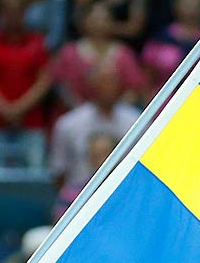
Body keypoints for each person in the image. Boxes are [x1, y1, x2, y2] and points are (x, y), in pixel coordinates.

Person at [0, 0, 53, 163]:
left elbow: (44, 79)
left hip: (30, 122)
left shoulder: (37, 42)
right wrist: (2, 107)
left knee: (33, 178)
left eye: (18, 11)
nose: (13, 16)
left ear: (25, 13)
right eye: (8, 11)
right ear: (0, 13)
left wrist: (19, 108)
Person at [49, 64, 137, 208]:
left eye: (113, 81)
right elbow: (59, 173)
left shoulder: (137, 122)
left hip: (125, 200)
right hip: (77, 201)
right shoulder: (68, 124)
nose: (109, 86)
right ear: (91, 85)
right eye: (103, 81)